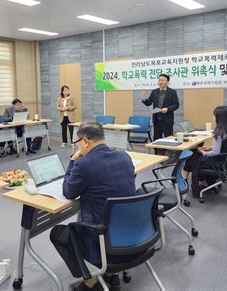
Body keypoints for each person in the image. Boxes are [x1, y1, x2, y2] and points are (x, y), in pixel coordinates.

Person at [50, 122, 136, 290]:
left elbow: (68, 192)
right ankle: (111, 275)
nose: (77, 147)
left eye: (77, 143)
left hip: (102, 238)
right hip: (132, 234)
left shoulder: (84, 164)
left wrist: (73, 161)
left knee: (58, 233)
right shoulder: (124, 156)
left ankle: (90, 282)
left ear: (86, 141)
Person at [182, 106, 227, 196]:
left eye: (214, 116)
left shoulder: (219, 132)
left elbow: (215, 153)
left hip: (217, 163)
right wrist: (210, 148)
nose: (213, 118)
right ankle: (199, 182)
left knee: (193, 155)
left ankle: (185, 179)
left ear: (219, 118)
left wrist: (203, 152)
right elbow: (224, 147)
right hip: (226, 161)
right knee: (194, 154)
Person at [141, 74, 179, 152]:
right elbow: (148, 103)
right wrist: (144, 99)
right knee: (156, 140)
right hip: (157, 120)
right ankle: (157, 156)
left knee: (168, 140)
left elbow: (176, 105)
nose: (160, 81)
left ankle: (168, 156)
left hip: (167, 120)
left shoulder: (172, 92)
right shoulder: (154, 92)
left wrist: (168, 109)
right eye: (159, 80)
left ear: (167, 82)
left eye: (162, 80)